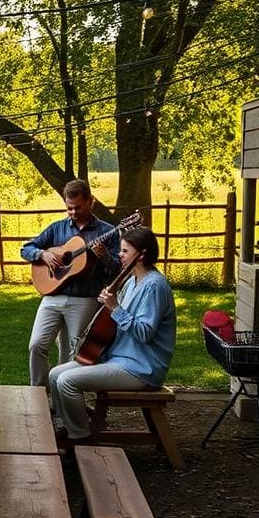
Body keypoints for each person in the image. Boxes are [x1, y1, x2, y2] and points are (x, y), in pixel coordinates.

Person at [48, 227, 176, 446]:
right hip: (118, 358)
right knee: (54, 374)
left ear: (142, 255)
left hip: (141, 368)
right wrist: (106, 311)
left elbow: (144, 333)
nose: (119, 254)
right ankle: (72, 427)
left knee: (67, 382)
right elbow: (116, 322)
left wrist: (114, 307)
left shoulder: (154, 286)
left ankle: (81, 438)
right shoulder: (131, 281)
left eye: (125, 251)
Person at [20, 179, 120, 387]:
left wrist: (104, 257)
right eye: (69, 208)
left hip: (84, 299)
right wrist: (43, 254)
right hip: (52, 296)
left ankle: (63, 401)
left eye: (77, 207)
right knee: (36, 344)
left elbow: (118, 269)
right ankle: (37, 394)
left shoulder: (108, 231)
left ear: (90, 201)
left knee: (74, 352)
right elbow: (26, 249)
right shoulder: (57, 228)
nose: (73, 212)